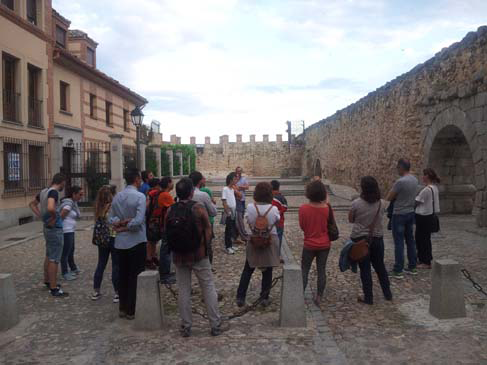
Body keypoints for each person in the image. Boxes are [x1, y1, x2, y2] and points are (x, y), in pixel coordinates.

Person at [166, 178, 225, 337]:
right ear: (192, 193)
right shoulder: (198, 208)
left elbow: (166, 232)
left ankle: (186, 325)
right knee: (208, 287)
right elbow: (208, 229)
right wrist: (205, 247)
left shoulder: (170, 210)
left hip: (179, 255)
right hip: (198, 254)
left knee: (183, 290)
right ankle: (215, 324)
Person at [109, 168, 147, 320]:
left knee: (122, 275)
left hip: (120, 241)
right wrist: (127, 225)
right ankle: (131, 309)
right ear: (137, 179)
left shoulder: (117, 196)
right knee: (135, 276)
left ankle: (122, 307)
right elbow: (138, 221)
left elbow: (110, 218)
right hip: (136, 241)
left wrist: (120, 223)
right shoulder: (140, 197)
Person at [236, 182, 280, 308]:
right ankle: (264, 297)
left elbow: (248, 219)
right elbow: (276, 220)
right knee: (267, 270)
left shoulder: (250, 207)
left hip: (253, 240)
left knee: (248, 269)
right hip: (269, 240)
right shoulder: (274, 209)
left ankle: (240, 296)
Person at [349, 176, 392, 305]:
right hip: (377, 238)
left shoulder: (356, 203)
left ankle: (368, 297)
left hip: (360, 239)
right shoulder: (382, 203)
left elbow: (351, 219)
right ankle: (388, 293)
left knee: (365, 269)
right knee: (380, 267)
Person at [29, 173, 68, 297]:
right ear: (61, 182)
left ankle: (48, 280)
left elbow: (32, 204)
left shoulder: (43, 191)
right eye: (64, 183)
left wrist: (41, 216)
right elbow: (51, 207)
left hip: (46, 228)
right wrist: (53, 217)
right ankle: (53, 288)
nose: (64, 186)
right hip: (54, 228)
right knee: (54, 258)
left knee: (49, 254)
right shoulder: (54, 192)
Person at [299, 180, 331, 306]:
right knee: (321, 270)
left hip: (309, 244)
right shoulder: (327, 208)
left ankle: (300, 294)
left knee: (304, 269)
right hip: (324, 244)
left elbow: (302, 226)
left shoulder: (303, 208)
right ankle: (319, 296)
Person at [386, 158, 419, 279]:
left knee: (399, 242)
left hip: (399, 213)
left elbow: (389, 197)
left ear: (401, 167)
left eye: (397, 168)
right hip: (411, 212)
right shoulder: (415, 180)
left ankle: (398, 269)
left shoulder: (400, 182)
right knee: (410, 240)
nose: (397, 170)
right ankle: (412, 266)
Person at [92, 186, 120, 302]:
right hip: (113, 238)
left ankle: (96, 291)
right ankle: (117, 292)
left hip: (102, 240)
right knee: (115, 265)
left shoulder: (97, 207)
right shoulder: (112, 207)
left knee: (101, 264)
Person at [415, 168, 441, 269]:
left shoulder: (426, 190)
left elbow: (417, 201)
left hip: (423, 217)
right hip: (430, 216)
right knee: (425, 239)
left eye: (424, 175)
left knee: (421, 239)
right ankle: (425, 259)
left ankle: (425, 261)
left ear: (427, 177)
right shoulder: (434, 188)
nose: (422, 177)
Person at [189, 171, 217, 264]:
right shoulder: (203, 195)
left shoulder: (182, 194)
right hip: (202, 226)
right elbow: (213, 212)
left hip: (187, 226)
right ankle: (207, 265)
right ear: (200, 181)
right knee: (207, 246)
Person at [59, 186, 83, 281]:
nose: (81, 196)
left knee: (71, 250)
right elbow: (61, 217)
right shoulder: (68, 204)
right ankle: (65, 272)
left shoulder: (73, 203)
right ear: (73, 194)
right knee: (65, 252)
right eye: (80, 194)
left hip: (70, 230)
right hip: (66, 230)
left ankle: (73, 267)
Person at [158, 176, 176, 284]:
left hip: (164, 226)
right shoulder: (165, 195)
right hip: (166, 226)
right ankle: (164, 275)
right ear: (168, 183)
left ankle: (166, 272)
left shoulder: (164, 194)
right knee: (165, 251)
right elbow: (173, 209)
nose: (173, 184)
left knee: (166, 250)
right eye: (172, 182)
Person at [146, 178, 162, 270]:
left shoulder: (149, 193)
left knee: (153, 240)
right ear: (156, 185)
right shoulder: (154, 193)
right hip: (152, 219)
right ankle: (149, 258)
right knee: (150, 240)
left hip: (151, 219)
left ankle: (153, 256)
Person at [200, 176, 217, 264]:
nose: (205, 180)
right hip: (208, 220)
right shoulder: (206, 191)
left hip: (198, 221)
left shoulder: (191, 192)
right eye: (204, 179)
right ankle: (208, 264)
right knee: (208, 243)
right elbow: (212, 204)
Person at [222, 172, 238, 254]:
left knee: (232, 229)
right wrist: (227, 212)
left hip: (233, 211)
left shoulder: (232, 189)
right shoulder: (225, 189)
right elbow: (224, 201)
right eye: (235, 179)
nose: (236, 180)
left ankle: (231, 245)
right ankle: (227, 247)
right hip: (229, 212)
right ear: (231, 180)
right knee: (228, 229)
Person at [270, 179, 288, 249]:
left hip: (271, 222)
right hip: (280, 222)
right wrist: (279, 212)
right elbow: (285, 207)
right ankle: (277, 255)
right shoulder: (282, 197)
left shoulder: (270, 198)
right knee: (278, 239)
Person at [234, 167, 250, 243]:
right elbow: (233, 187)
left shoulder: (244, 179)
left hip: (243, 200)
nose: (239, 173)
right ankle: (243, 235)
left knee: (241, 217)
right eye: (238, 171)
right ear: (235, 171)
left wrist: (240, 187)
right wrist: (240, 188)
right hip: (237, 200)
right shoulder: (234, 179)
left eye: (240, 171)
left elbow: (247, 187)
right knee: (239, 219)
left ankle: (237, 235)